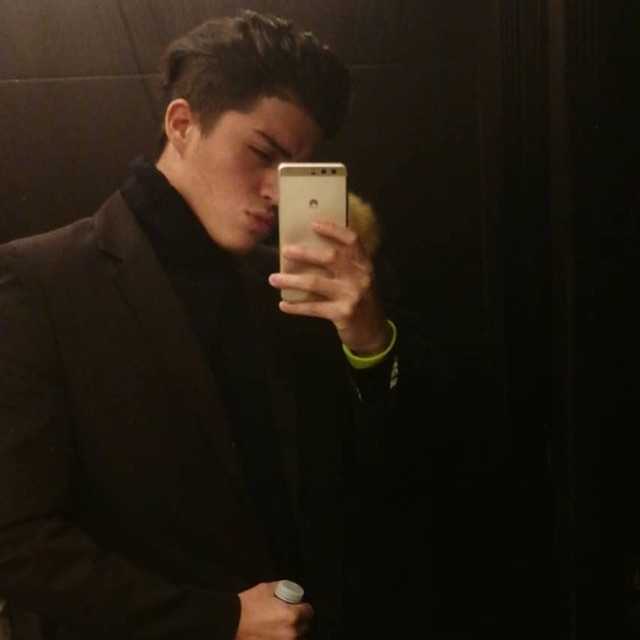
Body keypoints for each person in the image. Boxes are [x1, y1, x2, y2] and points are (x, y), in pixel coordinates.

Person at [0, 10, 398, 640]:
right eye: (262, 153)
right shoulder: (42, 282)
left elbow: (367, 478)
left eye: (295, 169)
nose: (276, 192)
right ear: (182, 124)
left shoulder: (284, 283)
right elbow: (17, 543)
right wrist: (220, 620)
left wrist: (370, 342)